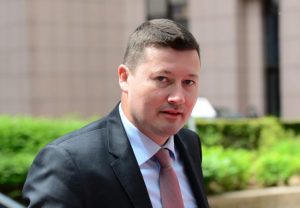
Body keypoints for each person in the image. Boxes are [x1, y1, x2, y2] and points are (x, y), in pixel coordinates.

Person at [22, 19, 209, 208]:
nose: (178, 98)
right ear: (124, 77)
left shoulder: (188, 144)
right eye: (162, 79)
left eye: (188, 82)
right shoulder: (67, 163)